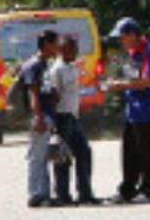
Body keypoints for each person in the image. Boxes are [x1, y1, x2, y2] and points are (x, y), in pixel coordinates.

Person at [105, 17, 150, 204]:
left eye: (122, 37)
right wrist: (118, 83)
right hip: (132, 111)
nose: (120, 41)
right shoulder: (131, 54)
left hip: (147, 110)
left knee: (149, 152)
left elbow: (147, 81)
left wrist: (119, 85)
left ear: (132, 34)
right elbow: (131, 80)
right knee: (129, 152)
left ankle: (149, 190)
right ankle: (127, 189)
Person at [49, 36, 99, 206]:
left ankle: (85, 193)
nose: (76, 52)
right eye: (73, 49)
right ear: (63, 50)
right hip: (62, 117)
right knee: (62, 157)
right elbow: (54, 96)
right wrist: (54, 124)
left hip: (73, 116)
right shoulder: (57, 70)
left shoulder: (71, 67)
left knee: (84, 152)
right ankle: (63, 195)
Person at [20, 30, 60, 208]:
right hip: (39, 116)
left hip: (46, 115)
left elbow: (44, 90)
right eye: (55, 44)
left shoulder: (44, 65)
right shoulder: (34, 65)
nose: (58, 47)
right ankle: (35, 194)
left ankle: (44, 194)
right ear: (46, 45)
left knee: (43, 156)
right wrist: (38, 117)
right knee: (36, 156)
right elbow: (33, 93)